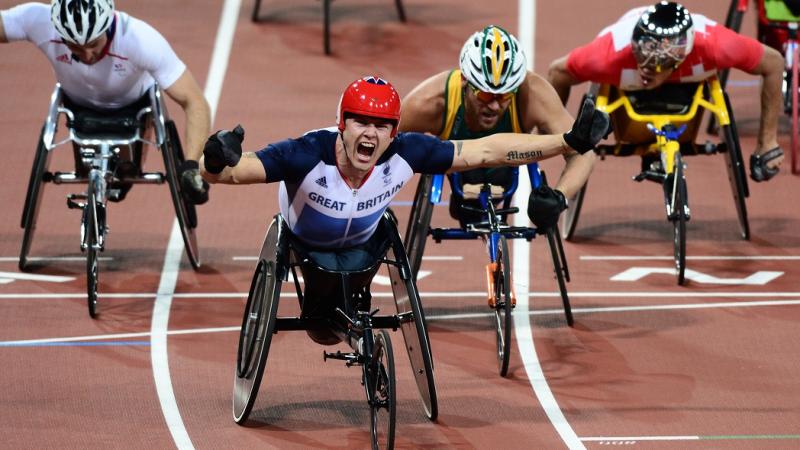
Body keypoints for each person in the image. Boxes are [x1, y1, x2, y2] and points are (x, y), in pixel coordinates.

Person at [200, 76, 609, 344]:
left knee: (337, 322)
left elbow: (488, 149)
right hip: (306, 249)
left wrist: (566, 141)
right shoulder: (305, 153)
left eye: (381, 126)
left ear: (393, 131)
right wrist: (215, 159)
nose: (370, 134)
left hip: (366, 252)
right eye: (360, 122)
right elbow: (233, 172)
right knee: (323, 330)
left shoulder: (407, 153)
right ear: (341, 123)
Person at [547, 1, 786, 182]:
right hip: (624, 81)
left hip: (688, 81)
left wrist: (767, 142)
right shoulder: (608, 54)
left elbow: (773, 63)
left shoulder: (716, 46)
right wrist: (557, 136)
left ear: (680, 58)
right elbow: (557, 72)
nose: (648, 70)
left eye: (658, 64)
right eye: (644, 59)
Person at [0, 0, 211, 202]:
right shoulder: (39, 21)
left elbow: (194, 101)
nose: (87, 54)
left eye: (93, 44)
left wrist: (192, 165)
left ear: (108, 26)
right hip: (76, 109)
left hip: (134, 110)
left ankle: (125, 168)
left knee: (128, 171)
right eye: (75, 47)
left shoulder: (139, 39)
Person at [400, 25, 595, 230]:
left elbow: (583, 152)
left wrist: (560, 197)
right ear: (465, 80)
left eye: (504, 96)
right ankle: (466, 204)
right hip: (456, 164)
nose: (494, 105)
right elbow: (386, 146)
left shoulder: (533, 93)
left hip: (509, 162)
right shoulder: (429, 102)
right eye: (485, 95)